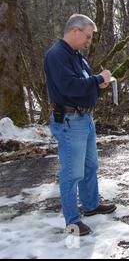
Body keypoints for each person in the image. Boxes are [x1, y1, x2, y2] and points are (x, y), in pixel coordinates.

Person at [44, 14, 116, 236]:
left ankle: (91, 205)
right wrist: (96, 80)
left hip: (84, 119)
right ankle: (72, 221)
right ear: (75, 30)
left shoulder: (77, 57)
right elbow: (70, 87)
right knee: (72, 172)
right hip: (69, 120)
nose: (89, 41)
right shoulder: (56, 55)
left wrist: (99, 84)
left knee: (90, 166)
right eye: (87, 36)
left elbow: (83, 84)